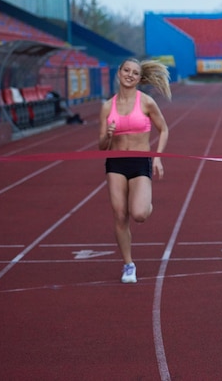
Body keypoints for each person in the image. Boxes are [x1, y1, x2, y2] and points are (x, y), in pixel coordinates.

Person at [98, 58, 171, 284]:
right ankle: (128, 264)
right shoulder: (107, 107)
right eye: (126, 70)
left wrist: (157, 158)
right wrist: (108, 135)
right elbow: (101, 146)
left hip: (140, 163)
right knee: (120, 215)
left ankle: (147, 202)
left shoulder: (147, 102)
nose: (130, 75)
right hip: (116, 164)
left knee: (138, 214)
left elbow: (164, 129)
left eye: (134, 73)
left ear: (139, 79)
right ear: (118, 73)